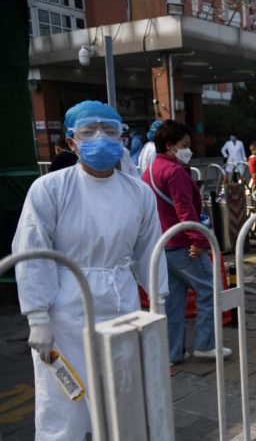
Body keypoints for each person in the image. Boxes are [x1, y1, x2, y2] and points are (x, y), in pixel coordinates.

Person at [12, 100, 169, 440]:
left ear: (122, 137)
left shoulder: (138, 192)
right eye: (88, 131)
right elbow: (32, 251)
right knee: (64, 404)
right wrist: (37, 316)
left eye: (110, 131)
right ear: (71, 141)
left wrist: (159, 301)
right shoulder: (50, 188)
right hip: (64, 309)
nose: (100, 137)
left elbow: (149, 250)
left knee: (121, 397)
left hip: (120, 305)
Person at [142, 119, 232, 364]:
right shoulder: (174, 172)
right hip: (183, 243)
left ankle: (173, 352)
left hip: (163, 245)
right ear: (170, 145)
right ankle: (206, 344)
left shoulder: (149, 171)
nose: (188, 150)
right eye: (184, 145)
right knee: (210, 290)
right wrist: (198, 240)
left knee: (173, 301)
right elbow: (185, 212)